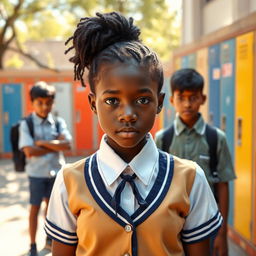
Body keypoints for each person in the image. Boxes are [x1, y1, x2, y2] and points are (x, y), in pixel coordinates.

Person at [45, 12, 222, 256]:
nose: (127, 114)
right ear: (93, 103)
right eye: (112, 100)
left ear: (159, 103)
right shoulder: (70, 181)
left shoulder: (190, 179)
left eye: (142, 99)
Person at [155, 68, 236, 256]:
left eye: (193, 98)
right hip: (172, 224)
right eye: (181, 98)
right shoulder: (162, 139)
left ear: (203, 99)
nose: (188, 104)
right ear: (172, 100)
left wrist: (222, 233)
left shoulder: (216, 138)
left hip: (208, 223)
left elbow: (223, 185)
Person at [19, 81, 72, 256]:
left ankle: (50, 239)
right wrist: (54, 145)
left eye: (48, 103)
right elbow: (29, 151)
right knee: (35, 208)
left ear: (53, 103)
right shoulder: (27, 124)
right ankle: (33, 244)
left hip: (57, 174)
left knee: (53, 209)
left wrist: (41, 143)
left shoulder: (58, 122)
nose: (44, 107)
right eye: (39, 103)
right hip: (36, 174)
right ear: (32, 103)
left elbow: (67, 145)